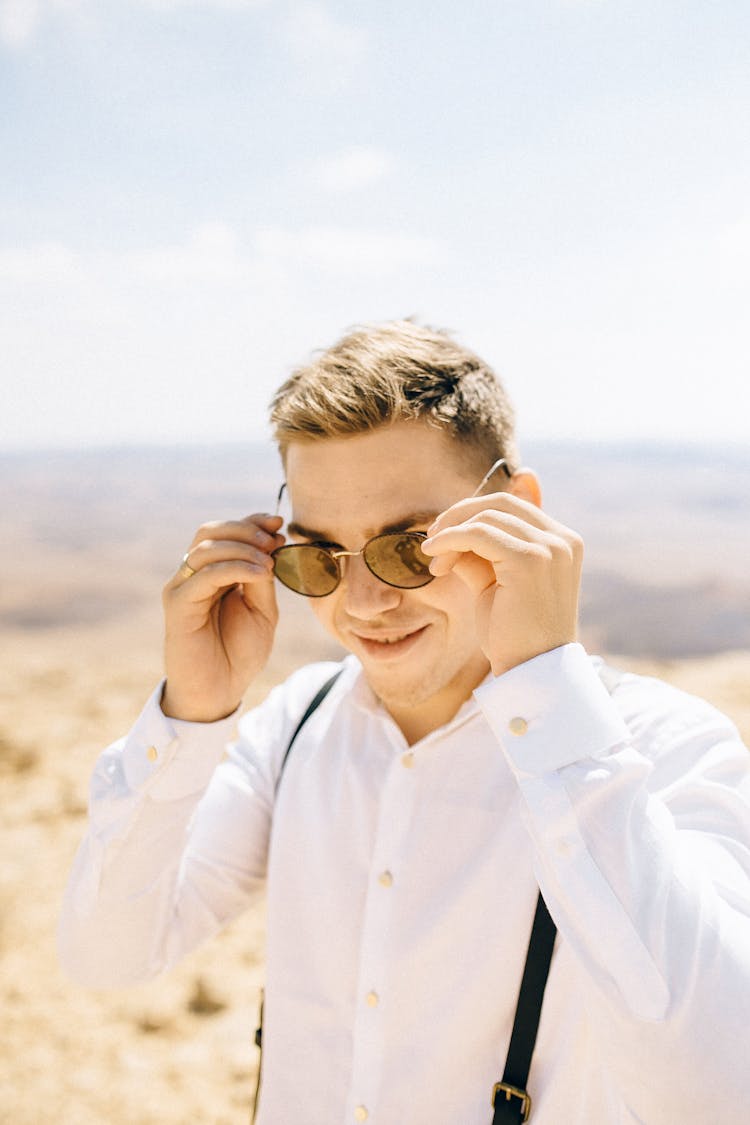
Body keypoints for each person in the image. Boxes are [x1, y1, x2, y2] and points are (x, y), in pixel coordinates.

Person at [59, 320, 750, 1125]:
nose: (362, 603)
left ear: (516, 511)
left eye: (408, 547)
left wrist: (545, 690)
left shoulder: (663, 749)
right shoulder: (297, 726)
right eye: (318, 556)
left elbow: (720, 1090)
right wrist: (192, 712)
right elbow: (108, 955)